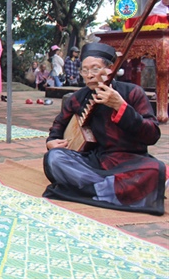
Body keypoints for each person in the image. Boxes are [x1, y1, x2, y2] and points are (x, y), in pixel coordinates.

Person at [43, 42, 165, 215]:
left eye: (95, 68)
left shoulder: (133, 93)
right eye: (84, 70)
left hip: (130, 160)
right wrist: (51, 142)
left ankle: (92, 189)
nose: (89, 75)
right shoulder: (78, 98)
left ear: (109, 69)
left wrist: (121, 107)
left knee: (154, 169)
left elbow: (152, 134)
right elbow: (58, 125)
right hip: (94, 160)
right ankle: (116, 189)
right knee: (54, 158)